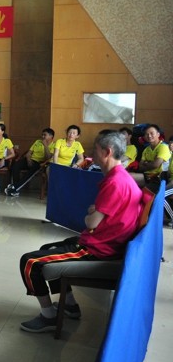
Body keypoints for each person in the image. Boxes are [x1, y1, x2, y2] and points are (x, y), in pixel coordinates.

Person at [18, 130, 143, 333]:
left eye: (96, 149)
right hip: (106, 241)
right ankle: (69, 304)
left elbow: (91, 222)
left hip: (99, 249)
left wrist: (90, 214)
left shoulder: (115, 182)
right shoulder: (121, 177)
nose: (92, 153)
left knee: (29, 262)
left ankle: (48, 316)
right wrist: (95, 212)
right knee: (48, 247)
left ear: (107, 152)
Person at [6, 128, 54, 196]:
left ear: (51, 136)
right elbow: (29, 153)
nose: (42, 136)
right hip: (30, 160)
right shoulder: (37, 141)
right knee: (16, 165)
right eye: (42, 135)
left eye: (45, 135)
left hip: (40, 163)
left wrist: (45, 145)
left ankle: (15, 188)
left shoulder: (54, 145)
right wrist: (28, 160)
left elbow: (48, 157)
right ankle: (14, 186)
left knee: (29, 173)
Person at [131, 124, 170, 188]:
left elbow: (155, 165)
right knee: (126, 176)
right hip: (147, 175)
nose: (149, 136)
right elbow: (140, 166)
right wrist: (151, 164)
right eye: (146, 134)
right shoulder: (146, 149)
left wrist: (146, 163)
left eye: (152, 133)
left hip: (158, 177)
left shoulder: (163, 147)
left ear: (158, 134)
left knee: (128, 177)